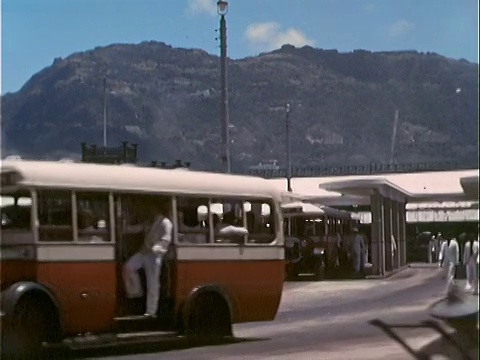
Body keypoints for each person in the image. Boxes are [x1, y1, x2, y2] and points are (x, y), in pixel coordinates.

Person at [123, 199, 173, 317]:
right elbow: (136, 229)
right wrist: (124, 226)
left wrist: (154, 248)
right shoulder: (149, 222)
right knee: (128, 267)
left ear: (157, 209)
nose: (149, 210)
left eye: (151, 208)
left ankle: (151, 311)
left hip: (154, 255)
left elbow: (165, 240)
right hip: (143, 253)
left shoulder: (165, 223)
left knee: (153, 283)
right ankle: (136, 293)